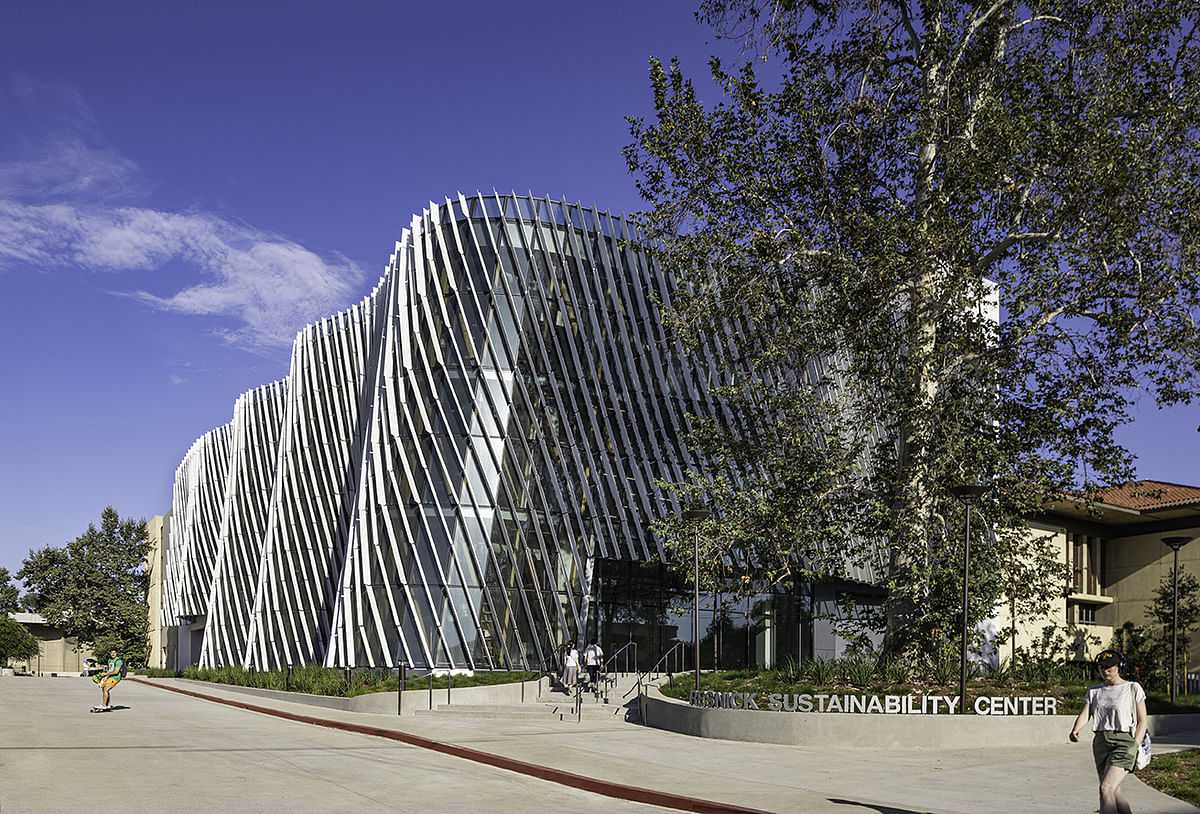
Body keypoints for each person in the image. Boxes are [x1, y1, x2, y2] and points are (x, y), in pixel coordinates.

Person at [1070, 649, 1148, 814]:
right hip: (1101, 743)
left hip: (1124, 743)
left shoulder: (1133, 688)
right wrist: (1076, 728)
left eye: (1109, 667)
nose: (1105, 670)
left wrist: (1135, 744)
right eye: (1102, 667)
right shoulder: (1094, 691)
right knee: (1114, 793)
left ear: (1119, 667)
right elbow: (1086, 713)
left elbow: (1143, 720)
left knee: (1106, 789)